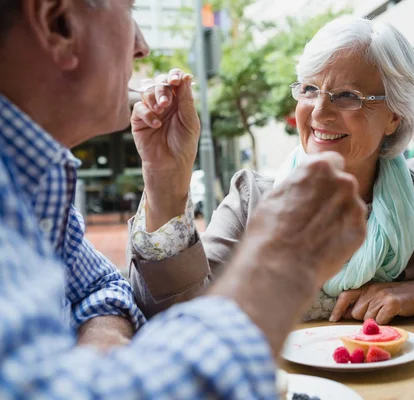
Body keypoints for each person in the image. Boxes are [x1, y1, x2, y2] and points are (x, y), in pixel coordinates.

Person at [0, 0, 367, 397]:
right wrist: (277, 270)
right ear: (59, 24)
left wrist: (99, 360)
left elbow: (102, 287)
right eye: (130, 12)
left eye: (348, 95)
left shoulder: (39, 183)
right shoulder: (255, 193)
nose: (142, 47)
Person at [128, 15, 414, 324]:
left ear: (394, 117)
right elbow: (180, 316)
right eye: (309, 89)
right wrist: (166, 181)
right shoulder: (254, 197)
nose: (319, 113)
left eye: (347, 96)